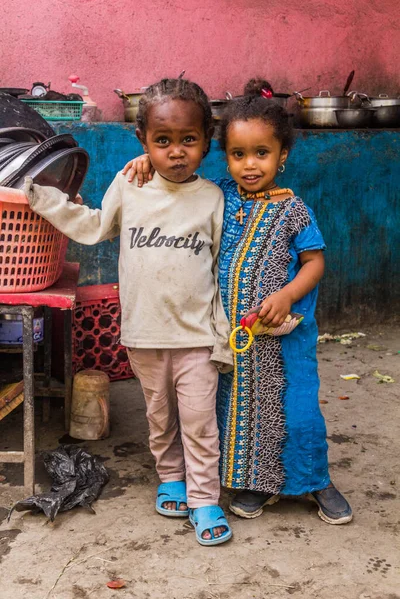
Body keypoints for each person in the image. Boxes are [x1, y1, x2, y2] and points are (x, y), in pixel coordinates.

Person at [122, 79, 353, 525]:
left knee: (298, 411)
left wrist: (286, 295)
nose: (250, 165)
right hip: (231, 336)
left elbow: (314, 263)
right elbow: (174, 178)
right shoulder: (216, 196)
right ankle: (255, 484)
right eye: (238, 154)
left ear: (282, 155)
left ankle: (315, 480)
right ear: (222, 155)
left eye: (261, 154)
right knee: (240, 414)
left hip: (284, 337)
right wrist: (144, 162)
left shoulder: (294, 209)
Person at [24, 77, 234, 546]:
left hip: (197, 336)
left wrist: (223, 335)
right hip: (143, 334)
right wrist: (48, 202)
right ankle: (171, 478)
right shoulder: (130, 182)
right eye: (162, 141)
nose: (176, 151)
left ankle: (204, 499)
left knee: (200, 422)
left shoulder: (214, 199)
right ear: (143, 142)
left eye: (188, 140)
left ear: (206, 142)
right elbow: (97, 226)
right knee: (159, 418)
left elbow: (222, 270)